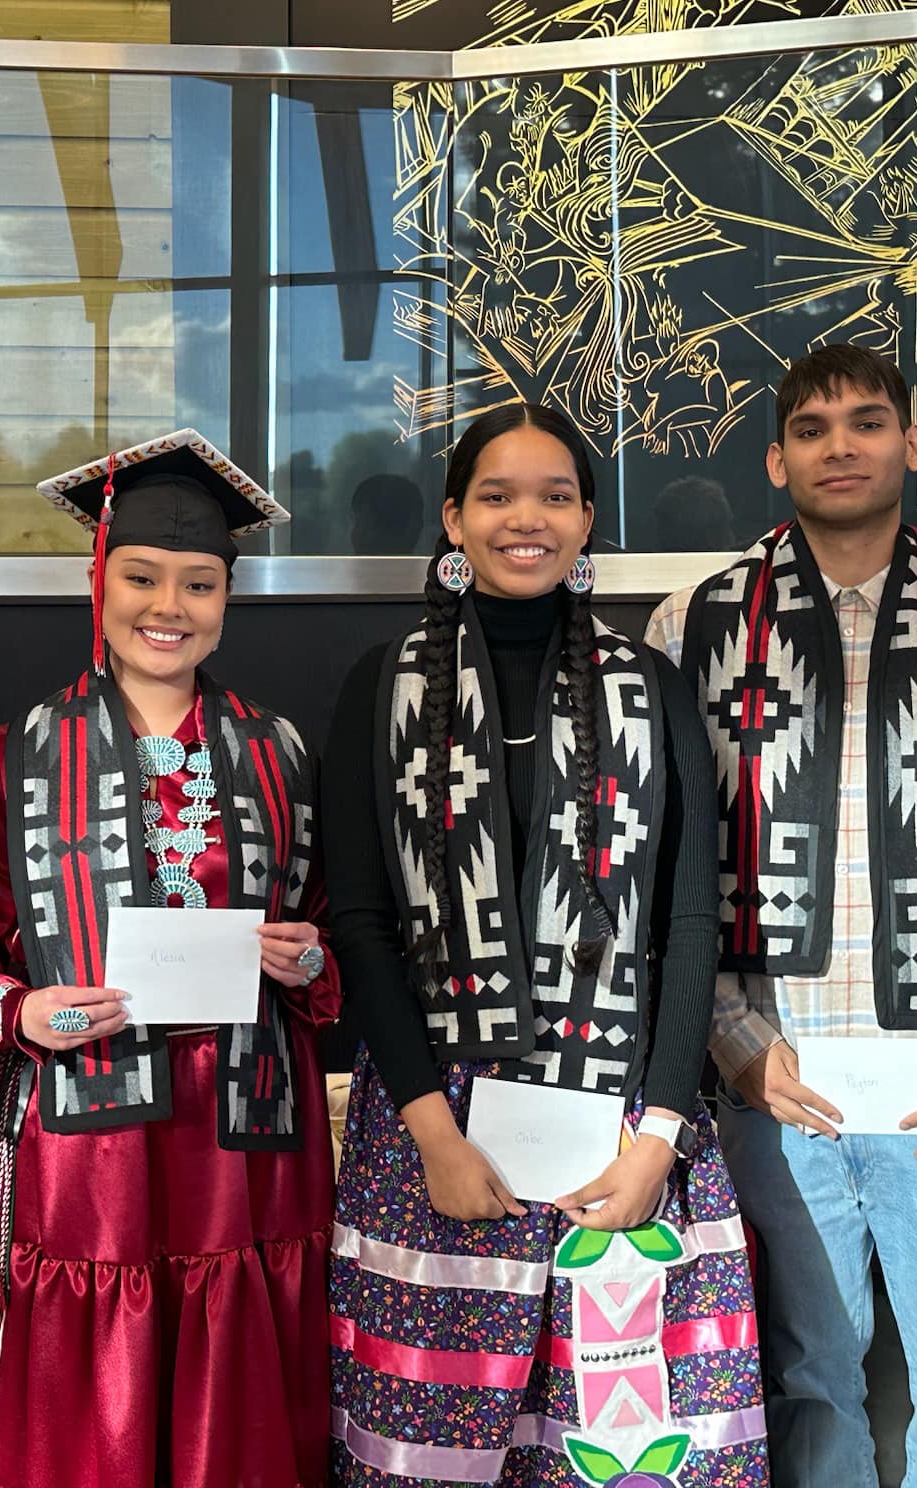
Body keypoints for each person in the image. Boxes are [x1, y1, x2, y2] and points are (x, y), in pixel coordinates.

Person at [647, 343, 917, 1488]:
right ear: (776, 458)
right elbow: (664, 862)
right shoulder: (690, 624)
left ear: (913, 445)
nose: (842, 444)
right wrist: (733, 1044)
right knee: (801, 1384)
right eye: (814, 427)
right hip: (778, 1086)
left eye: (869, 421)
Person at [328, 402, 767, 1487]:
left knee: (627, 1448)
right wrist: (434, 1135)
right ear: (450, 517)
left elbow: (685, 919)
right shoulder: (379, 689)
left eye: (555, 496)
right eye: (496, 495)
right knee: (428, 1446)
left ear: (584, 523)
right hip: (437, 1126)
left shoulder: (650, 690)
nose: (526, 520)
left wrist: (657, 1138)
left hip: (619, 1122)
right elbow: (360, 923)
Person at [0, 429, 338, 1488]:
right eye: (142, 577)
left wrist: (305, 961)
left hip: (245, 1138)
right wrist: (17, 1014)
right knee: (94, 1423)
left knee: (237, 1405)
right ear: (97, 579)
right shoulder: (16, 756)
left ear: (226, 595)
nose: (169, 606)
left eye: (199, 583)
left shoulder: (281, 752)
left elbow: (333, 931)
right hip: (90, 1146)